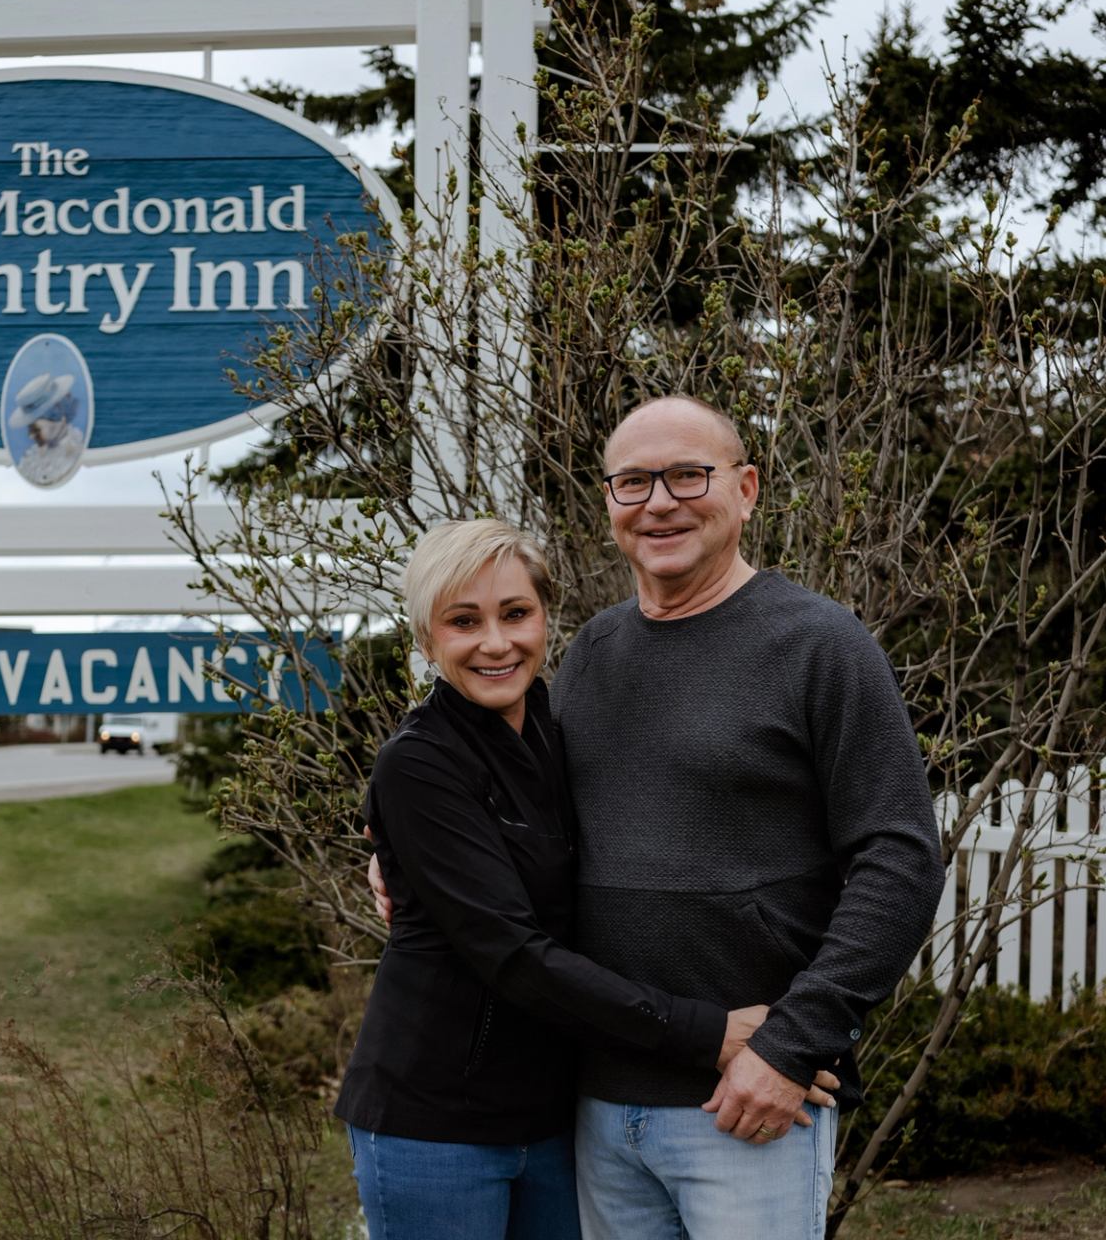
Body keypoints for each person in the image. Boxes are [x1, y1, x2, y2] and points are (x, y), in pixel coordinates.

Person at [370, 397, 944, 1238]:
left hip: (746, 1100)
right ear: (609, 506)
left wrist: (793, 1045)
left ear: (746, 490)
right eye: (633, 482)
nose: (660, 501)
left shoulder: (821, 646)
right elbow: (512, 809)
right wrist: (396, 849)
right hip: (595, 1104)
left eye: (688, 475)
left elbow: (901, 859)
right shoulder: (594, 654)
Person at [336, 518, 840, 1240]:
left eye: (516, 614)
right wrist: (711, 1034)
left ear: (547, 618)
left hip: (550, 1118)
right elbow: (513, 954)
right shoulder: (418, 766)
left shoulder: (556, 726)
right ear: (425, 639)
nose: (496, 642)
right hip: (435, 1120)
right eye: (463, 622)